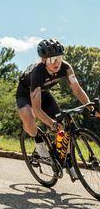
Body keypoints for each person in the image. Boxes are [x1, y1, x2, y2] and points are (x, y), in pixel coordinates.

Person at [16, 38, 99, 178]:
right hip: (25, 94)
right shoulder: (38, 73)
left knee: (63, 127)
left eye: (58, 58)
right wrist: (52, 123)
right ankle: (38, 142)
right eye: (51, 59)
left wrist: (90, 106)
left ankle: (66, 160)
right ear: (43, 61)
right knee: (30, 118)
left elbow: (77, 90)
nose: (56, 63)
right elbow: (36, 108)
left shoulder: (66, 67)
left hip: (44, 94)